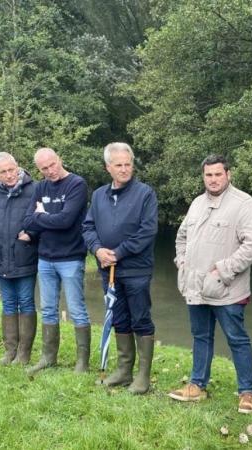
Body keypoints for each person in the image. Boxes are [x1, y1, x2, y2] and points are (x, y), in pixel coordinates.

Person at [168, 154, 252, 414]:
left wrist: (224, 270)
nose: (213, 179)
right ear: (203, 177)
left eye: (218, 174)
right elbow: (182, 236)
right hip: (195, 288)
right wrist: (182, 262)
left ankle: (247, 391)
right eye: (208, 175)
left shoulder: (244, 204)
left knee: (237, 339)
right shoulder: (198, 203)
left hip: (227, 289)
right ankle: (197, 385)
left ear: (228, 174)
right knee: (201, 336)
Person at [82, 142, 158, 394]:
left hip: (136, 270)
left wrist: (118, 253)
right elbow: (88, 227)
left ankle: (142, 377)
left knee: (140, 318)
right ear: (108, 167)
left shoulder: (145, 193)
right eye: (119, 165)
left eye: (128, 164)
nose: (125, 169)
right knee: (119, 317)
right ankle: (124, 370)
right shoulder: (98, 195)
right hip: (108, 270)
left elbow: (147, 231)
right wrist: (97, 250)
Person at [23, 147, 90, 374]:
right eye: (44, 168)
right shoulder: (40, 187)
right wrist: (43, 218)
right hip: (45, 258)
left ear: (59, 159)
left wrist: (41, 214)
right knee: (48, 308)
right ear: (39, 170)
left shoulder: (76, 184)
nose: (50, 171)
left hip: (71, 257)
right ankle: (48, 357)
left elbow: (66, 220)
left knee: (76, 309)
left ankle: (82, 362)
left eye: (52, 165)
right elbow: (27, 221)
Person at [0, 152, 38, 365]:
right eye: (3, 172)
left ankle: (24, 354)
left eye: (12, 169)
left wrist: (31, 234)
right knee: (9, 304)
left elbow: (43, 217)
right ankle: (9, 352)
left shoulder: (34, 189)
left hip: (25, 255)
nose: (9, 175)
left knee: (26, 302)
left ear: (18, 166)